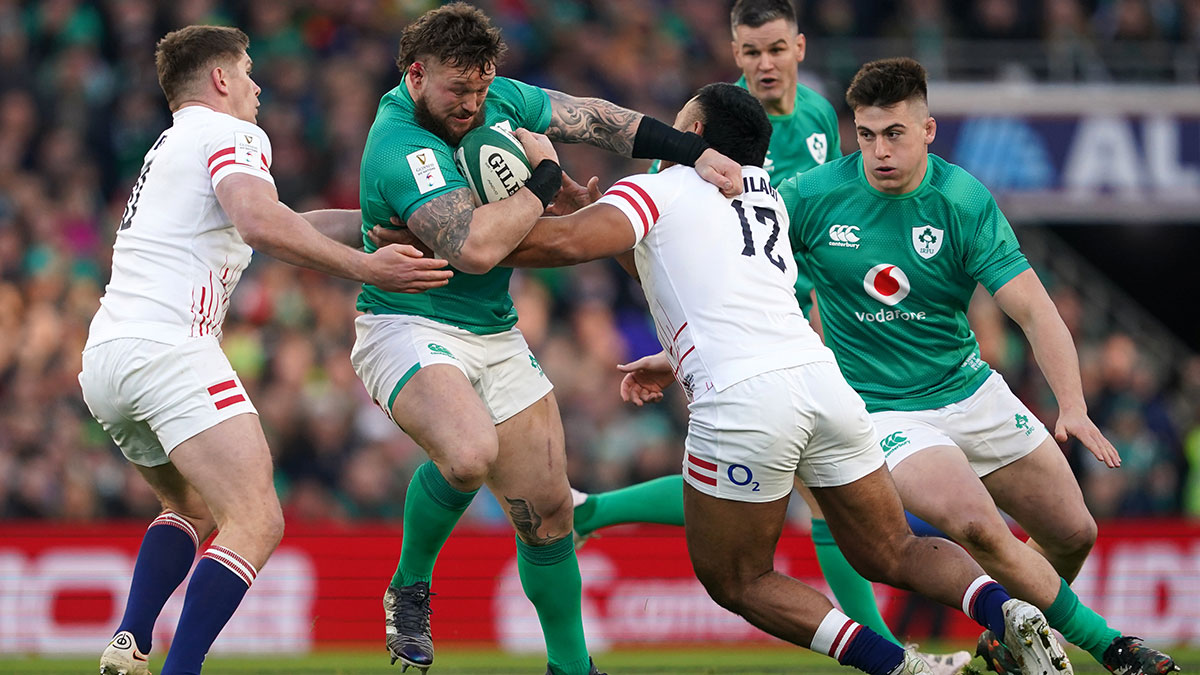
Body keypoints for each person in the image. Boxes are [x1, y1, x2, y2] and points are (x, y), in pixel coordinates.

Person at [493, 81, 1070, 675]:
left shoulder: (654, 189)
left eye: (677, 121)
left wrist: (518, 192)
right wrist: (593, 216)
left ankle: (897, 667)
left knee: (737, 578)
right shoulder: (761, 190)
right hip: (824, 384)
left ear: (692, 134)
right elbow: (675, 263)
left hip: (743, 401)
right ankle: (1006, 610)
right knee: (892, 548)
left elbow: (558, 245)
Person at [569, 2, 968, 668]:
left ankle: (889, 655)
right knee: (809, 500)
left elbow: (835, 215)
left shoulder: (813, 119)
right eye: (750, 52)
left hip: (806, 316)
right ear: (734, 54)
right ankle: (890, 649)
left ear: (800, 49)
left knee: (803, 508)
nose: (764, 64)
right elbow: (691, 253)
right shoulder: (714, 146)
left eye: (775, 49)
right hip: (760, 329)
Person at [349, 4, 741, 675]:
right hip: (406, 322)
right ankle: (411, 583)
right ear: (415, 74)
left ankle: (573, 667)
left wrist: (695, 150)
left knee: (550, 514)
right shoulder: (397, 144)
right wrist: (547, 182)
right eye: (456, 90)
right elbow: (474, 249)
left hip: (493, 331)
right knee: (470, 452)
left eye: (481, 87)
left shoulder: (497, 97)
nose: (472, 104)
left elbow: (597, 118)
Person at [774, 57, 1178, 675]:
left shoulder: (961, 200)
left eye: (895, 134)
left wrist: (1072, 405)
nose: (878, 151)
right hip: (880, 411)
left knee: (1075, 532)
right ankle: (1116, 649)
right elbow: (735, 258)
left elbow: (1037, 312)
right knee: (979, 526)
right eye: (866, 135)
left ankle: (1009, 637)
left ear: (928, 131)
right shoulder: (812, 195)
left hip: (969, 390)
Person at [79, 26, 452, 675]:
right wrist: (369, 268)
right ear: (220, 79)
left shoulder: (173, 144)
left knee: (192, 506)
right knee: (256, 519)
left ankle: (131, 641)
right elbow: (259, 220)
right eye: (247, 71)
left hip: (109, 358)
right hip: (172, 348)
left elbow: (274, 223)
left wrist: (372, 226)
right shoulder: (234, 134)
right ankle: (180, 668)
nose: (257, 85)